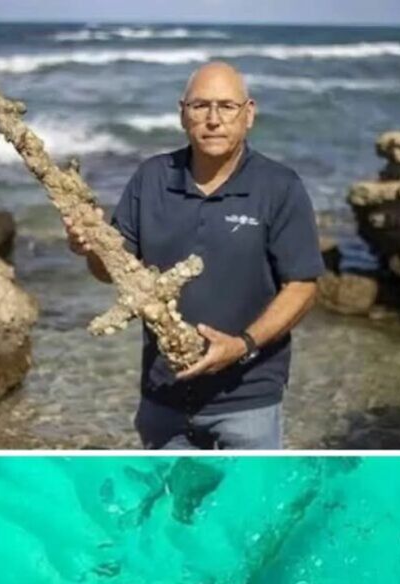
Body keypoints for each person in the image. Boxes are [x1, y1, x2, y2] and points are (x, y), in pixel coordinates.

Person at [65, 61, 325, 450]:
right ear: (182, 113)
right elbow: (113, 271)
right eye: (200, 106)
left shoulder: (280, 186)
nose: (213, 120)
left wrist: (242, 345)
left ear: (249, 113)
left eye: (227, 106)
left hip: (248, 400)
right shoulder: (151, 179)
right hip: (163, 397)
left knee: (250, 493)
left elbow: (302, 286)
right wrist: (92, 247)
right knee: (170, 492)